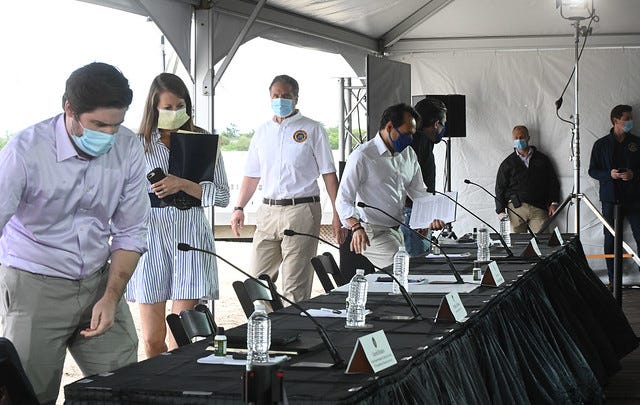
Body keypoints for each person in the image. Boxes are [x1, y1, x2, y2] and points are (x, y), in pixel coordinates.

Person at [0, 62, 149, 404]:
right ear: (70, 109)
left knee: (124, 387)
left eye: (117, 125)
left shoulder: (128, 147)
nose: (109, 135)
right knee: (27, 395)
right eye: (98, 125)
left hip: (100, 282)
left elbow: (130, 231)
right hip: (33, 286)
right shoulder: (24, 152)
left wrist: (111, 297)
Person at [125, 73, 230, 358]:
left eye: (179, 106)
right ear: (153, 107)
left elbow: (222, 196)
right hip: (151, 235)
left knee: (182, 335)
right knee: (151, 339)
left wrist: (183, 184)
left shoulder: (203, 141)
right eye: (167, 107)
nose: (174, 113)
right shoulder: (137, 144)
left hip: (191, 234)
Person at [230, 74, 345, 303]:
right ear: (269, 97)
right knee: (259, 282)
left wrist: (337, 214)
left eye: (286, 96)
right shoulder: (262, 132)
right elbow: (252, 175)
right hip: (268, 211)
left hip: (302, 210)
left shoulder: (312, 129)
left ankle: (295, 332)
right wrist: (239, 207)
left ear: (296, 98)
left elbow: (329, 175)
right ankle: (269, 332)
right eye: (276, 96)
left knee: (295, 284)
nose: (280, 100)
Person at [336, 103, 445, 268]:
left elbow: (419, 192)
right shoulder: (362, 156)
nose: (410, 139)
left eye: (413, 134)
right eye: (406, 133)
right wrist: (356, 227)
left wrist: (429, 217)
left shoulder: (408, 153)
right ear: (389, 127)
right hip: (371, 232)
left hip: (398, 230)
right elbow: (343, 199)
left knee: (406, 275)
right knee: (403, 269)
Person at [588, 104, 640, 283]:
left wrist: (633, 174)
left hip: (634, 198)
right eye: (627, 119)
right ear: (615, 120)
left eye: (631, 119)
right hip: (610, 199)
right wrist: (608, 175)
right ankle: (613, 279)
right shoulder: (601, 145)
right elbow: (592, 171)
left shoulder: (636, 142)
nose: (630, 122)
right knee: (610, 239)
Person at [402, 98, 447, 256]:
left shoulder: (422, 142)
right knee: (417, 267)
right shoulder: (419, 142)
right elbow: (407, 182)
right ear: (436, 124)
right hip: (413, 213)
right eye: (443, 124)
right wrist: (422, 216)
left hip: (416, 211)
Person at [494, 125, 560, 233]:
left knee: (542, 241)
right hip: (516, 208)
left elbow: (552, 182)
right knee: (517, 244)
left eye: (522, 137)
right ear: (512, 139)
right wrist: (500, 210)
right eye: (516, 138)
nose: (519, 140)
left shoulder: (542, 159)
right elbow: (500, 187)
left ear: (528, 137)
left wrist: (554, 202)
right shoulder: (507, 163)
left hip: (539, 207)